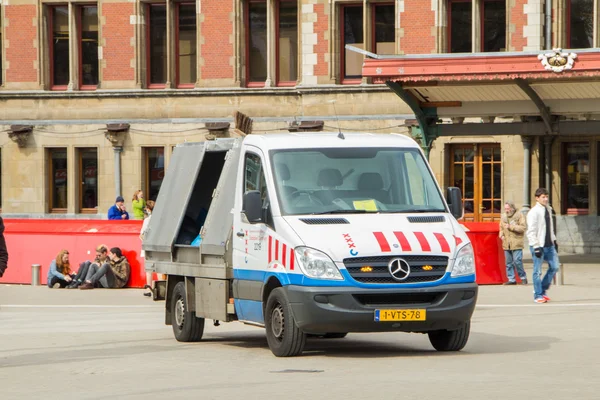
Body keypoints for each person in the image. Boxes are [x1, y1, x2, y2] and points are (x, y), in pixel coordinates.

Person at [526, 188, 560, 303]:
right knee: (537, 271)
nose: (545, 199)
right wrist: (535, 246)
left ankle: (542, 289)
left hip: (549, 244)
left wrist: (554, 241)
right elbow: (531, 231)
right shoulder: (533, 212)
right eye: (543, 197)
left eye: (546, 197)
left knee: (555, 267)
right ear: (537, 198)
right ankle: (538, 294)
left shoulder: (549, 209)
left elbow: (550, 227)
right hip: (538, 245)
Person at [499, 201, 528, 285]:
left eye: (508, 208)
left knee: (517, 261)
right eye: (505, 209)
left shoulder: (519, 215)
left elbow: (523, 228)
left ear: (512, 208)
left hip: (517, 241)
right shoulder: (503, 216)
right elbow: (500, 227)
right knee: (508, 262)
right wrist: (501, 235)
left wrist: (511, 227)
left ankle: (523, 277)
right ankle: (511, 279)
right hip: (506, 242)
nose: (506, 210)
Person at [140, 200, 155, 297]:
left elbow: (142, 235)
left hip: (148, 247)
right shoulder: (160, 219)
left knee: (149, 269)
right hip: (159, 247)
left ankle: (149, 289)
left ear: (148, 209)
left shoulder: (147, 220)